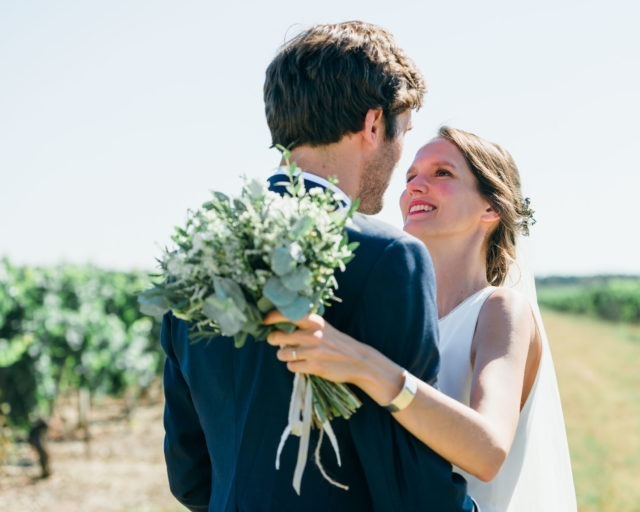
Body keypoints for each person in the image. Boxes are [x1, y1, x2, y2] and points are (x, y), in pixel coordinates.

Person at [160, 21, 475, 512]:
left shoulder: (195, 259)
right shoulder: (390, 257)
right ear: (374, 125)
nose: (399, 160)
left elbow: (189, 476)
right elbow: (412, 479)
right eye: (403, 134)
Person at [266, 126, 578, 511]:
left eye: (441, 173)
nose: (415, 185)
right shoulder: (404, 311)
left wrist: (363, 364)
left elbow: (488, 451)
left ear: (491, 208)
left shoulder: (500, 310)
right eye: (410, 175)